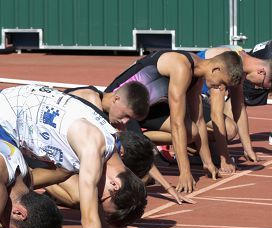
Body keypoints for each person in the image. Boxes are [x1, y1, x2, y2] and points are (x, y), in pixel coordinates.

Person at [0, 84, 147, 228]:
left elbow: (121, 203)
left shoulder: (116, 156)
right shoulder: (93, 149)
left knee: (20, 193)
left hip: (24, 113)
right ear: (114, 184)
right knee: (16, 209)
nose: (98, 202)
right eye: (103, 201)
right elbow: (89, 218)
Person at [106, 50, 244, 194]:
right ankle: (128, 140)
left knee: (192, 132)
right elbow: (176, 123)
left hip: (147, 109)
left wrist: (207, 162)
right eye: (222, 83)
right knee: (144, 177)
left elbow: (199, 119)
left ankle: (143, 139)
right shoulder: (181, 67)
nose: (221, 88)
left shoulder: (197, 73)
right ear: (216, 69)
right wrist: (184, 172)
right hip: (122, 106)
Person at [62, 83, 191, 204]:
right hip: (51, 151)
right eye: (126, 116)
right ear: (116, 99)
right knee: (81, 196)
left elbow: (141, 156)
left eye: (130, 119)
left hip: (72, 157)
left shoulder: (122, 118)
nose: (125, 122)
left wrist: (168, 188)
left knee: (141, 177)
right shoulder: (89, 102)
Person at [197, 47, 272, 173]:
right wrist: (224, 159)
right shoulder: (229, 63)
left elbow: (239, 107)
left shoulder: (242, 62)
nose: (256, 87)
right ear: (261, 72)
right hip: (189, 97)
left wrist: (248, 149)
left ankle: (201, 148)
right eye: (261, 85)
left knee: (231, 114)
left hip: (202, 98)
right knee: (229, 129)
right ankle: (183, 144)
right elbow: (216, 114)